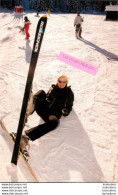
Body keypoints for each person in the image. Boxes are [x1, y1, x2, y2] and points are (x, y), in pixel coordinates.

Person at [19, 75, 74, 156]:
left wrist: (65, 111)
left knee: (54, 123)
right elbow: (47, 97)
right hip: (43, 109)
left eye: (64, 82)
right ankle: (29, 110)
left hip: (52, 115)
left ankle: (26, 137)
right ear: (57, 81)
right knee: (41, 92)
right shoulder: (53, 88)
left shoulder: (69, 94)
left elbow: (69, 107)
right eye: (60, 81)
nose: (61, 83)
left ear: (66, 83)